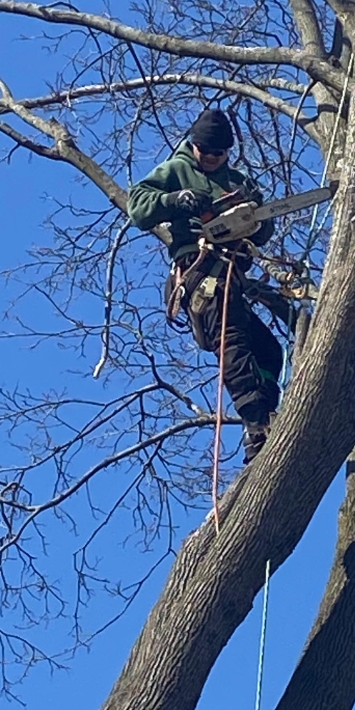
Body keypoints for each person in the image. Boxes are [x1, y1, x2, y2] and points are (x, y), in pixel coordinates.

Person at [128, 108, 283, 462]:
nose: (212, 157)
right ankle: (256, 422)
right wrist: (174, 200)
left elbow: (264, 227)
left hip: (233, 274)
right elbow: (138, 207)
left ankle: (264, 412)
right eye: (206, 151)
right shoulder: (175, 170)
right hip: (201, 271)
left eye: (219, 153)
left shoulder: (238, 182)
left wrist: (254, 221)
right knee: (231, 340)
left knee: (269, 352)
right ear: (194, 145)